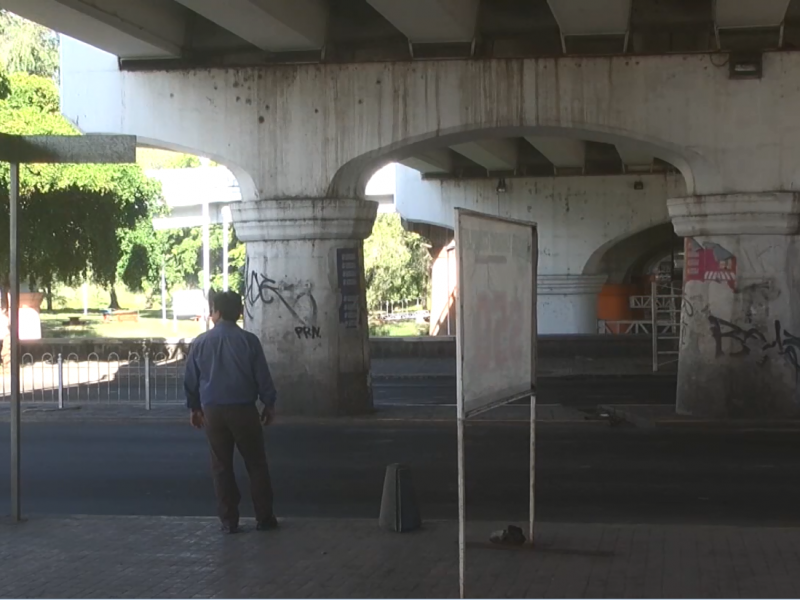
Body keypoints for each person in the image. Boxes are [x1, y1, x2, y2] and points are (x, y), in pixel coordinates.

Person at [184, 290, 278, 534]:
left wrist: (194, 408)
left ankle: (229, 521)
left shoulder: (201, 342)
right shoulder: (249, 341)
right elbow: (262, 377)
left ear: (216, 312)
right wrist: (269, 403)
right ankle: (264, 517)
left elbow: (191, 380)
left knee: (221, 466)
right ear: (239, 312)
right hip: (244, 409)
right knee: (256, 464)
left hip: (213, 411)